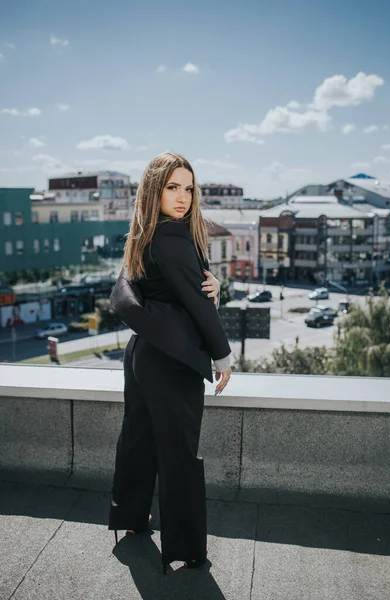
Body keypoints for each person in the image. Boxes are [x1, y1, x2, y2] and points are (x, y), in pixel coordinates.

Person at [108, 151, 232, 573]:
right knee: (179, 454)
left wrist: (214, 283)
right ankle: (187, 546)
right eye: (172, 187)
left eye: (189, 189)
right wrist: (223, 354)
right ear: (155, 190)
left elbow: (148, 288)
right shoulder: (176, 238)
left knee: (138, 438)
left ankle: (130, 516)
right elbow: (200, 308)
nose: (182, 198)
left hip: (142, 353)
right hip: (171, 363)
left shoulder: (144, 235)